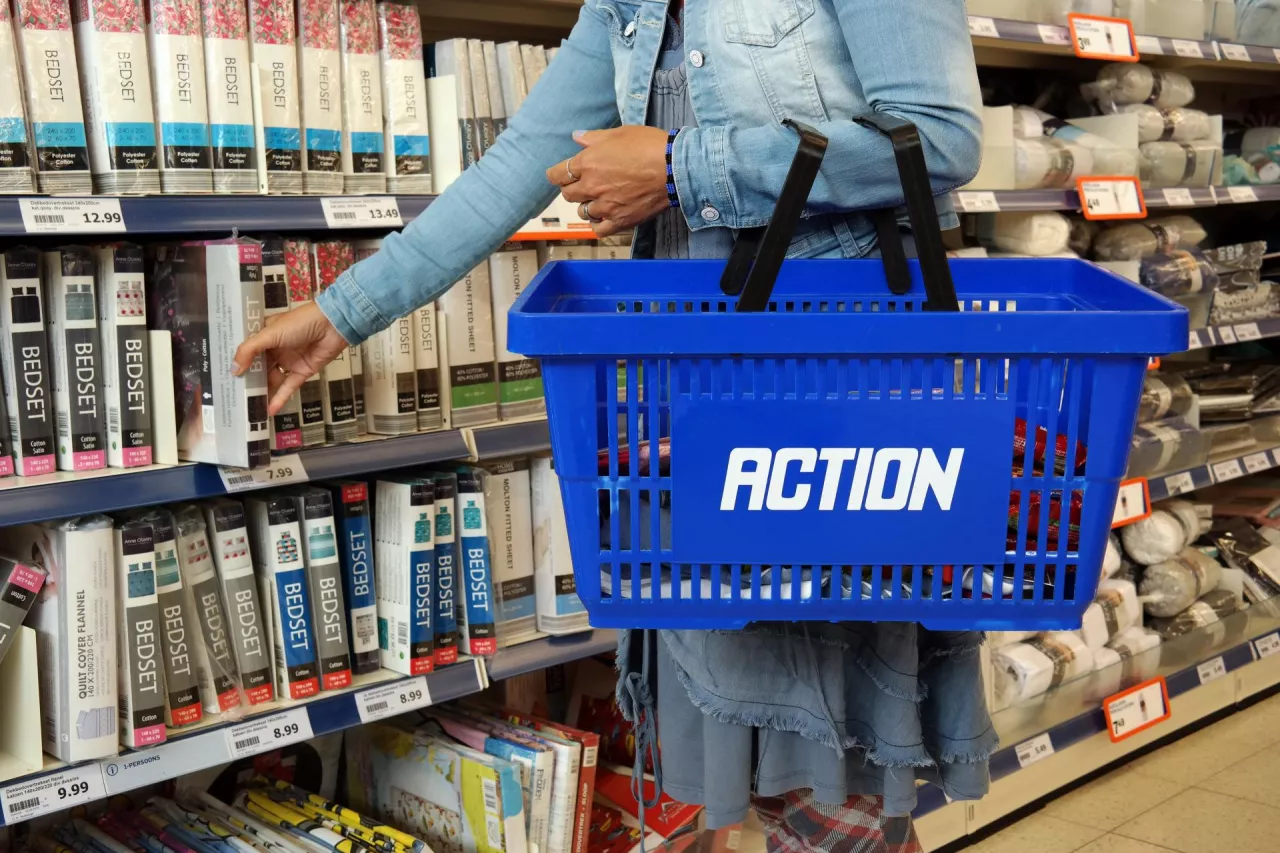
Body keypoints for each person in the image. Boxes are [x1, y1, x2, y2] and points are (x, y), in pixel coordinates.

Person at [234, 2, 993, 850]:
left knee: (826, 772)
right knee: (746, 765)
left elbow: (940, 137)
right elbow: (524, 156)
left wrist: (682, 167)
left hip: (835, 390)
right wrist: (341, 313)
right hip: (696, 390)